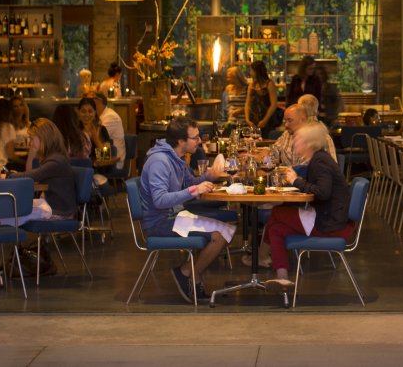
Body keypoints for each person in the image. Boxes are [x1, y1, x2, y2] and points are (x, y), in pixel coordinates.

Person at [139, 117, 233, 304]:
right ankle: (188, 273)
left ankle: (188, 272)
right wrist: (194, 191)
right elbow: (159, 201)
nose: (199, 141)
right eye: (195, 138)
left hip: (175, 216)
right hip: (159, 222)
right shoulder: (159, 161)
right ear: (181, 141)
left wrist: (210, 176)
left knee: (227, 230)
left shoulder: (177, 157)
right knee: (221, 235)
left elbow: (189, 183)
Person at [256, 124, 353, 289]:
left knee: (277, 212)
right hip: (331, 218)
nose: (294, 143)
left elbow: (322, 192)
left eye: (298, 139)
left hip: (330, 223)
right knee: (276, 228)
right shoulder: (319, 158)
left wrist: (295, 181)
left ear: (309, 143)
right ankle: (282, 277)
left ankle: (260, 256)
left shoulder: (320, 161)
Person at [0, 118, 78, 272]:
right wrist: (32, 153)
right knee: (4, 215)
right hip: (50, 206)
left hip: (59, 212)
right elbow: (31, 174)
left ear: (44, 138)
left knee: (3, 218)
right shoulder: (53, 158)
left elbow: (30, 176)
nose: (30, 142)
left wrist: (5, 176)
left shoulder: (56, 161)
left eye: (32, 139)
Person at [270, 103, 337, 166]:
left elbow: (331, 168)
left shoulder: (321, 138)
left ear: (303, 120)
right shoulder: (287, 134)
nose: (286, 125)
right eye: (285, 121)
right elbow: (274, 152)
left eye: (290, 120)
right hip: (290, 177)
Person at [245, 60, 280, 138]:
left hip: (266, 118)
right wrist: (247, 119)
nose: (250, 72)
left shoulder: (269, 84)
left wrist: (265, 120)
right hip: (253, 118)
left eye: (251, 70)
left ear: (256, 71)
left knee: (266, 139)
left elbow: (273, 104)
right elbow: (247, 103)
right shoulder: (251, 85)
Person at [93, 92, 126, 170]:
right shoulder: (100, 117)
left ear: (99, 102)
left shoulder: (110, 117)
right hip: (100, 157)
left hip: (113, 160)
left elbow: (98, 137)